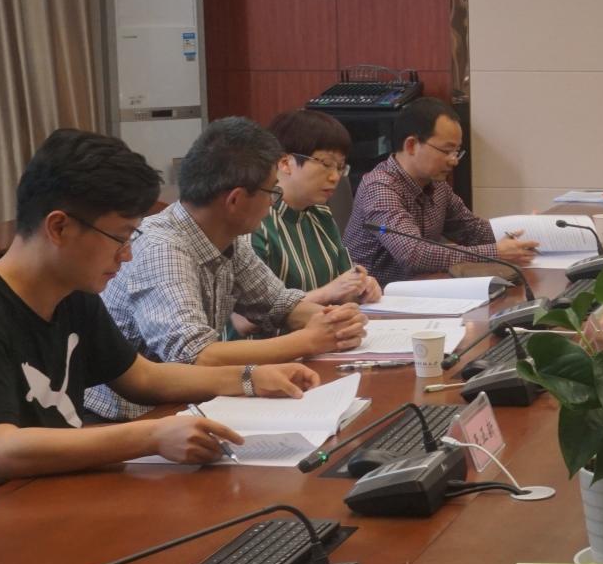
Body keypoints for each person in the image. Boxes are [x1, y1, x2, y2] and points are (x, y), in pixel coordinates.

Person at [0, 130, 318, 522]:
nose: (127, 255)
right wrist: (152, 436)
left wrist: (249, 379)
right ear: (59, 227)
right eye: (120, 237)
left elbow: (143, 377)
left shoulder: (71, 294)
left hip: (49, 498)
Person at [88, 118, 367, 420]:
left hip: (191, 405)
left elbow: (279, 303)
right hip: (129, 419)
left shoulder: (227, 236)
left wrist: (335, 321)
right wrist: (308, 340)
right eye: (271, 193)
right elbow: (195, 357)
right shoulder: (162, 248)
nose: (272, 204)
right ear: (235, 200)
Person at [343, 97, 538, 282]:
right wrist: (496, 252)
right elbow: (414, 255)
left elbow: (472, 231)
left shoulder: (437, 185)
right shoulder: (380, 187)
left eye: (456, 152)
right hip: (374, 298)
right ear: (411, 145)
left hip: (422, 289)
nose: (454, 160)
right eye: (446, 151)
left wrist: (525, 231)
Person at [251, 109, 382, 304]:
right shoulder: (254, 220)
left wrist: (361, 288)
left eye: (340, 167)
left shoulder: (321, 215)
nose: (335, 177)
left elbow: (343, 284)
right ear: (285, 163)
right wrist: (328, 292)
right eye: (326, 164)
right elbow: (255, 311)